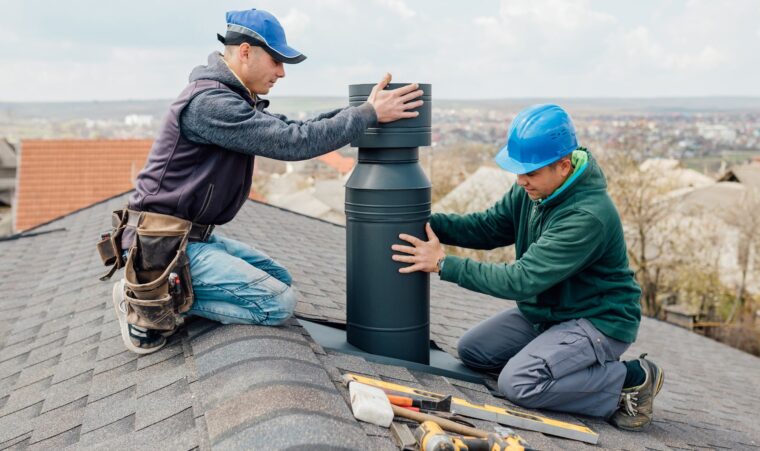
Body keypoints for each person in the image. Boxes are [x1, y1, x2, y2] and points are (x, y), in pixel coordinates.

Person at [110, 9, 422, 355]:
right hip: (162, 247)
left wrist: (362, 108)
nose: (281, 72)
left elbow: (294, 128)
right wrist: (370, 114)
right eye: (276, 60)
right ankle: (147, 301)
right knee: (277, 303)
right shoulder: (211, 104)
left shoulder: (232, 98)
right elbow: (294, 142)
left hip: (190, 240)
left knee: (280, 279)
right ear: (245, 51)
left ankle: (168, 291)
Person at [391, 104, 663, 431]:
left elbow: (520, 281)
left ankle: (628, 380)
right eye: (518, 171)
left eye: (530, 173)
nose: (521, 181)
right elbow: (489, 228)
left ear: (563, 167)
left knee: (518, 384)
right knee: (473, 351)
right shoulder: (535, 190)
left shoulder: (586, 216)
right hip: (549, 314)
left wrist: (443, 263)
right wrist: (425, 223)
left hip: (597, 321)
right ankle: (561, 363)